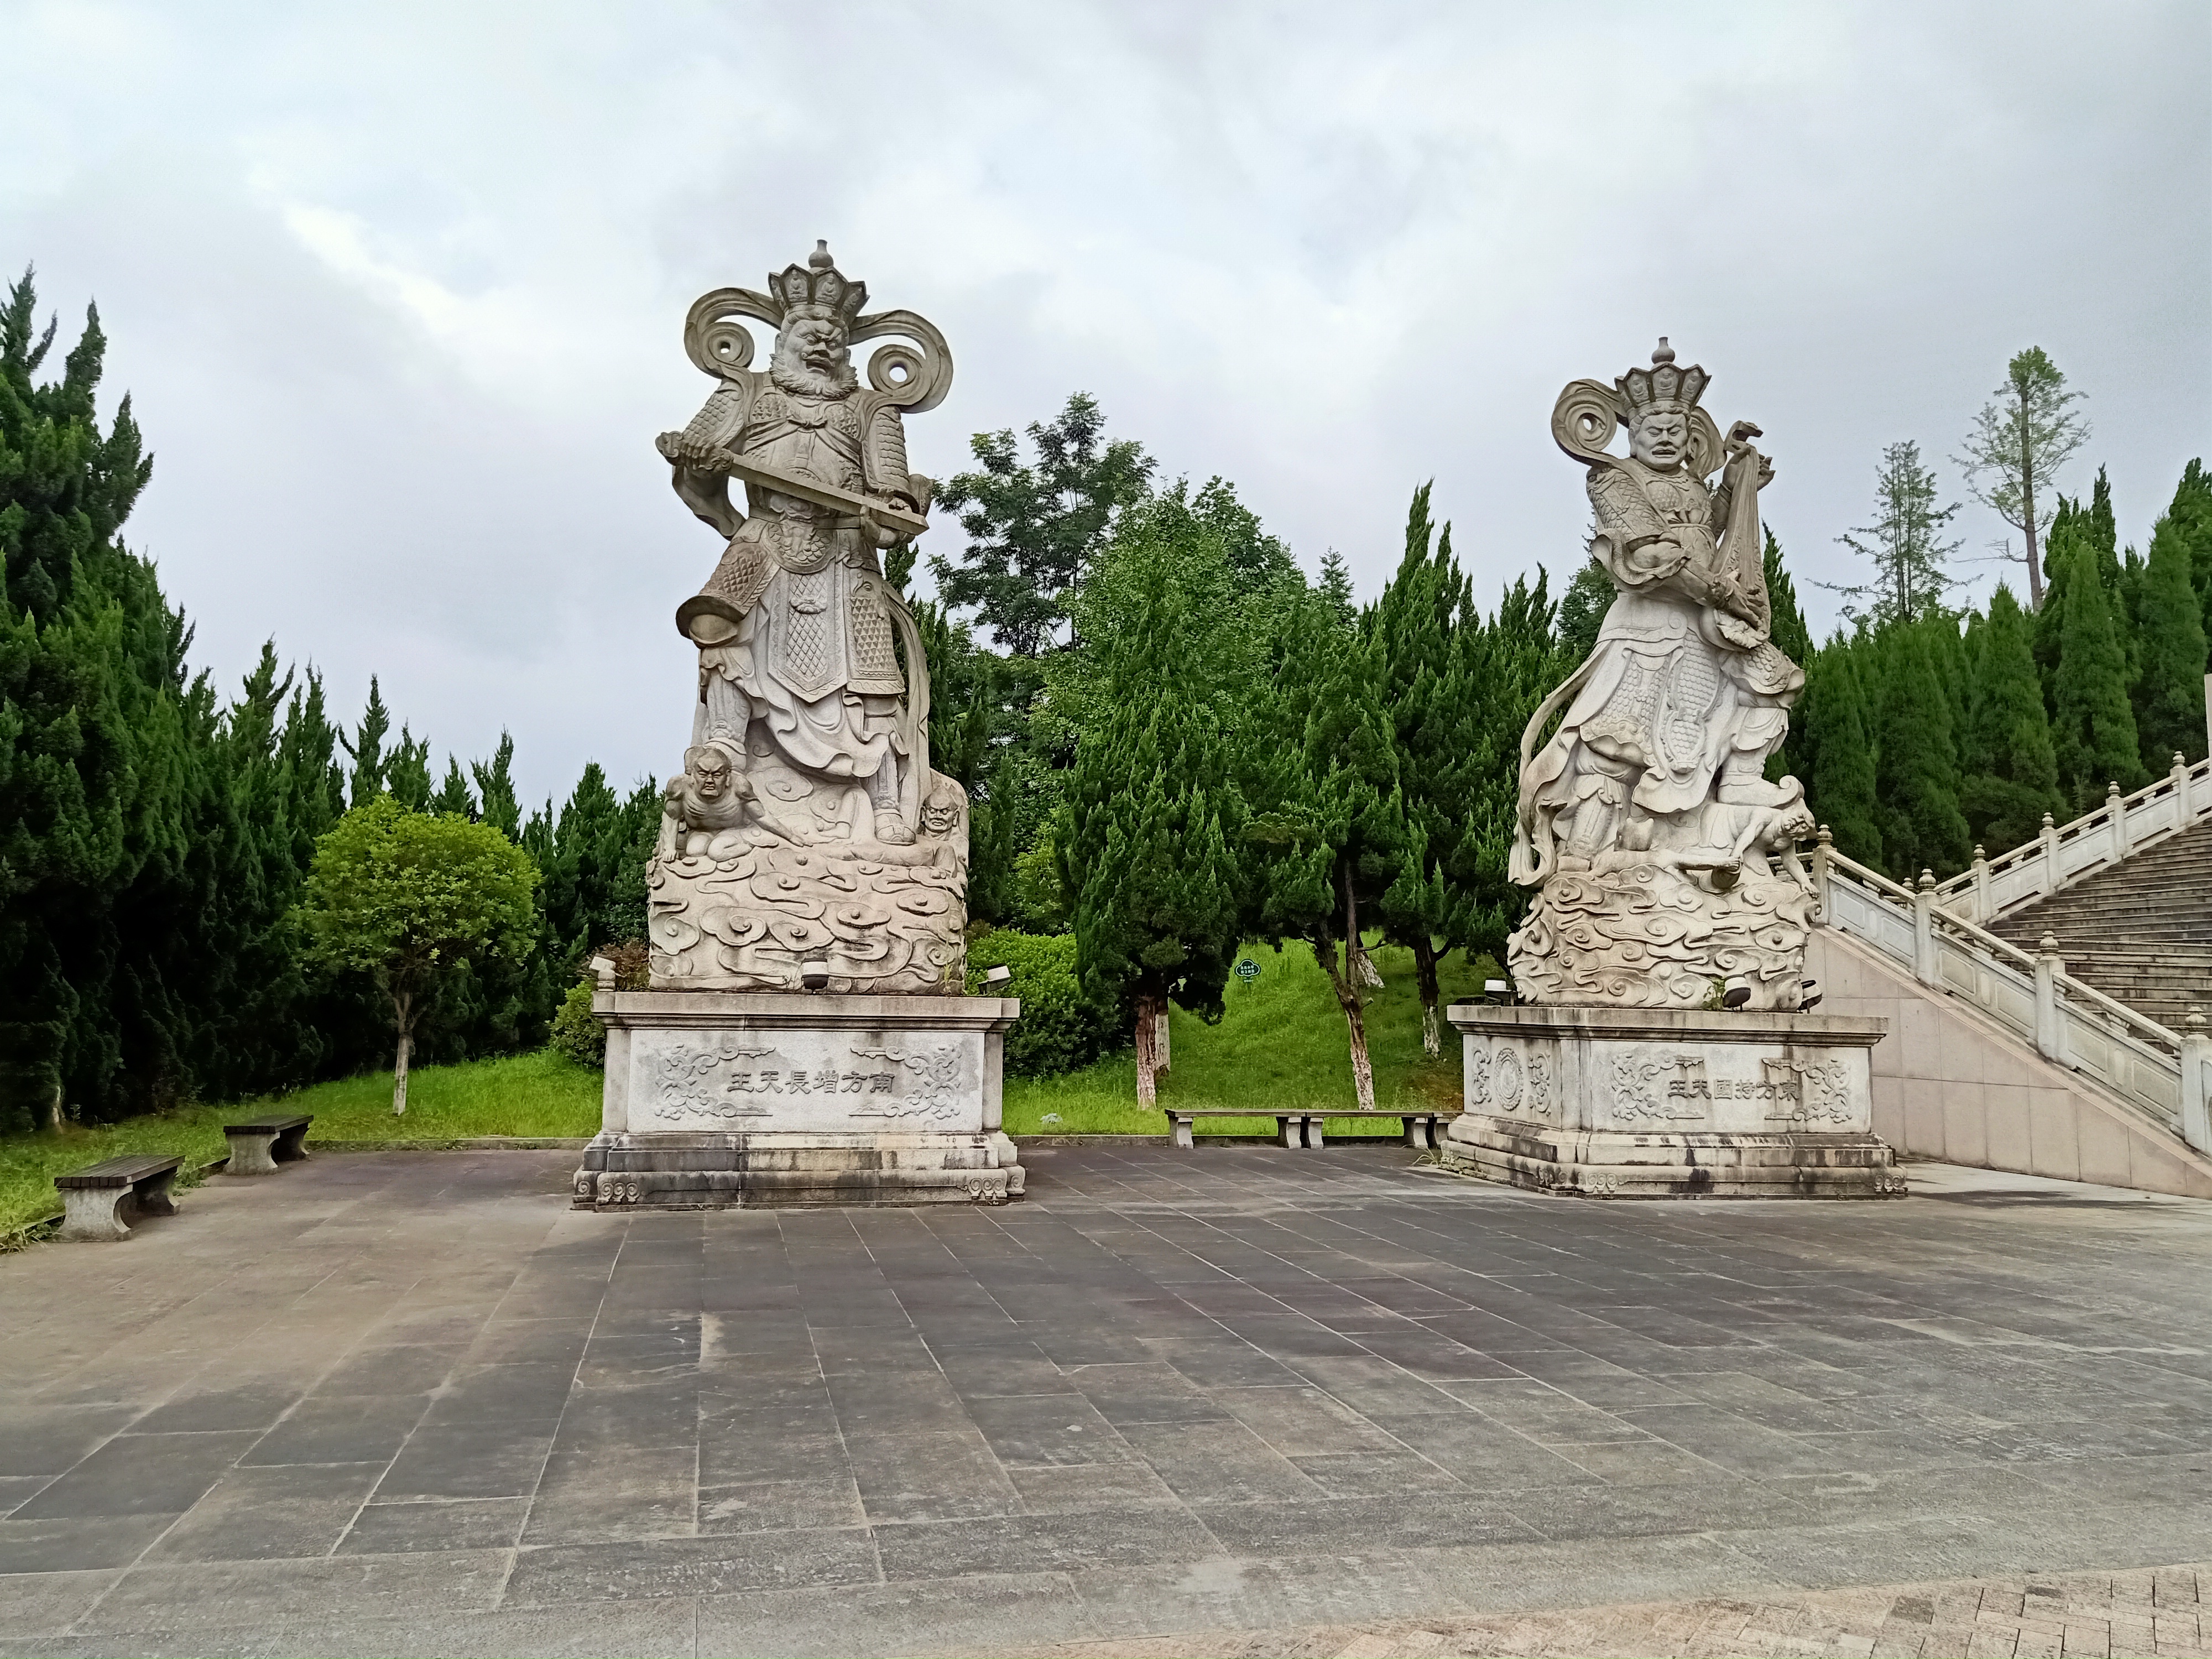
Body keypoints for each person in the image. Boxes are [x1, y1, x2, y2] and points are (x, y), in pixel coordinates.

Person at [658, 243, 927, 845]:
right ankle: (728, 753)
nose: (822, 343)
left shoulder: (873, 410)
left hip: (844, 552)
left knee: (872, 680)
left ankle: (886, 804)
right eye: (810, 331)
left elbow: (890, 513)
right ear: (782, 339)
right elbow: (697, 479)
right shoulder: (745, 393)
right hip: (766, 542)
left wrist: (894, 513)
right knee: (722, 633)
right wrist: (699, 465)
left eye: (834, 336)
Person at [1513, 341, 1805, 888]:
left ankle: (1739, 782)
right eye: (1654, 429)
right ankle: (1582, 862)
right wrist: (1720, 592)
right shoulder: (1613, 479)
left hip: (1708, 630)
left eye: (1677, 429)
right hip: (1647, 629)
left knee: (1772, 687)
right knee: (1617, 746)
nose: (1667, 438)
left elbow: (1703, 531)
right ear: (1632, 433)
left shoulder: (1690, 482)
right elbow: (1653, 556)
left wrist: (1735, 486)